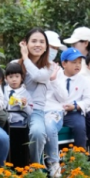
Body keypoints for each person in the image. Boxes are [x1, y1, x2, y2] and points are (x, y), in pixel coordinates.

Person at [44, 47, 90, 178]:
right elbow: (49, 96)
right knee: (49, 126)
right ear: (64, 63)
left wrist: (76, 106)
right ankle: (51, 162)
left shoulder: (84, 80)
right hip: (56, 110)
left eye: (79, 62)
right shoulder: (55, 76)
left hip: (73, 111)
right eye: (74, 62)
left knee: (80, 126)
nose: (77, 65)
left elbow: (89, 100)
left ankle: (79, 161)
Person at [19, 28, 59, 168]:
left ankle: (36, 166)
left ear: (46, 46)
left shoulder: (49, 66)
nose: (38, 44)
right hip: (16, 110)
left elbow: (37, 76)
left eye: (42, 42)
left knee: (37, 132)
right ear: (26, 44)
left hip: (36, 111)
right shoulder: (15, 64)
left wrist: (25, 58)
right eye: (34, 41)